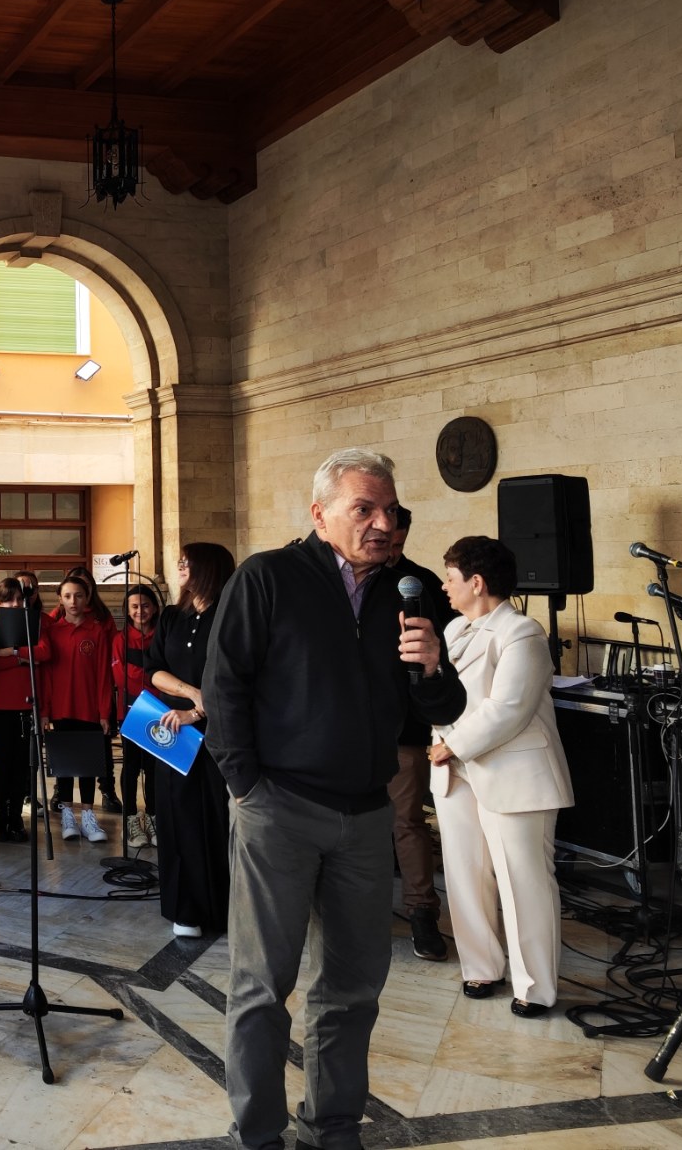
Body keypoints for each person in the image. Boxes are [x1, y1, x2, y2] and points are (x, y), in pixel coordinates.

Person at [203, 448, 466, 1150]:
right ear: (320, 515)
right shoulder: (269, 578)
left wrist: (432, 669)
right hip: (279, 810)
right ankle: (257, 1133)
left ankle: (334, 1125)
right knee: (263, 985)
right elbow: (224, 685)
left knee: (352, 987)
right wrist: (246, 785)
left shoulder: (412, 590)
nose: (383, 523)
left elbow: (446, 706)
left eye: (391, 511)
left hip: (367, 814)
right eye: (364, 509)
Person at [431, 535, 573, 1018]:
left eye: (451, 578)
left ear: (477, 582)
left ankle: (535, 987)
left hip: (513, 772)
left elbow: (508, 708)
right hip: (455, 772)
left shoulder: (523, 632)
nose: (445, 586)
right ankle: (481, 967)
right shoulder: (453, 630)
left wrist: (452, 744)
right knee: (465, 875)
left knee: (523, 881)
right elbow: (440, 695)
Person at [147, 543, 237, 937]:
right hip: (172, 732)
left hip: (217, 732)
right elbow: (154, 669)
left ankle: (220, 908)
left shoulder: (230, 617)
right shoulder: (171, 616)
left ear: (210, 569)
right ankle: (184, 908)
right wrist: (191, 693)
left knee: (214, 818)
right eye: (180, 562)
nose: (181, 567)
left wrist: (198, 711)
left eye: (188, 562)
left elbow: (235, 677)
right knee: (174, 815)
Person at [387, 506, 458, 962]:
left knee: (408, 822)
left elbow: (447, 652)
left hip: (406, 725)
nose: (389, 552)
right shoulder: (342, 582)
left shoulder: (421, 583)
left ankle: (421, 912)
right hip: (350, 725)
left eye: (397, 544)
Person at [0, 577, 49, 843]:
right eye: (9, 600)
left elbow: (45, 653)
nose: (16, 604)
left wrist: (13, 652)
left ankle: (16, 816)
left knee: (22, 764)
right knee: (4, 761)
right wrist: (22, 659)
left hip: (26, 701)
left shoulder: (34, 625)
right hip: (0, 702)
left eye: (19, 599)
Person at [44, 573, 114, 844]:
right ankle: (67, 815)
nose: (73, 601)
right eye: (68, 596)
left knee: (87, 765)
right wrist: (45, 711)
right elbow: (45, 675)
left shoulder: (97, 631)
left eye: (79, 596)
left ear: (87, 599)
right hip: (60, 709)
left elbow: (104, 675)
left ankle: (87, 815)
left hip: (89, 709)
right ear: (60, 600)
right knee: (63, 765)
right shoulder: (52, 632)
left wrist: (104, 712)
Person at [111, 584, 161, 847]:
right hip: (131, 710)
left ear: (154, 607)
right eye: (134, 606)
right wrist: (156, 678)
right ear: (127, 610)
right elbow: (122, 677)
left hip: (160, 712)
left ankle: (153, 816)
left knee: (153, 768)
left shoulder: (163, 636)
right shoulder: (120, 639)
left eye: (145, 605)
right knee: (131, 766)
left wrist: (142, 675)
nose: (140, 610)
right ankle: (130, 819)